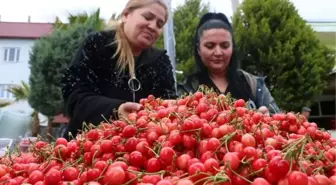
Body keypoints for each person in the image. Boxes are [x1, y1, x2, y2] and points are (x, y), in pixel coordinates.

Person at [60, 0, 176, 139]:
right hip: (88, 148)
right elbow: (75, 97)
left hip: (140, 151)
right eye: (147, 17)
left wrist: (171, 106)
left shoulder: (160, 61)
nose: (153, 26)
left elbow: (168, 104)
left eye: (159, 24)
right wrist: (116, 110)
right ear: (126, 15)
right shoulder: (97, 45)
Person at [177, 12, 280, 114]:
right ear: (198, 49)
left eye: (225, 46)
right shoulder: (187, 90)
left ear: (233, 48)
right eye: (210, 46)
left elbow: (278, 119)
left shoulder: (254, 85)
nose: (218, 52)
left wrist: (267, 117)